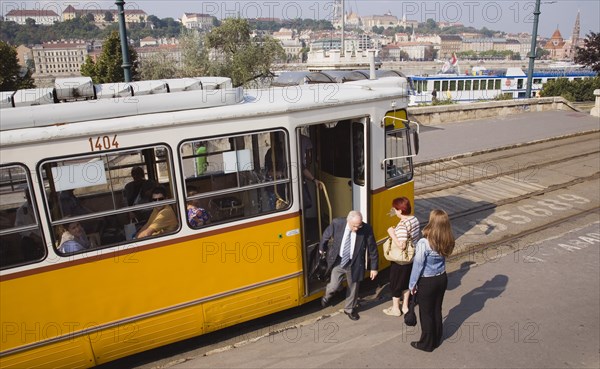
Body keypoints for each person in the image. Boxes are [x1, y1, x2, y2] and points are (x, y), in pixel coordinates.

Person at [408, 209, 455, 352]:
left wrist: (412, 284)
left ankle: (426, 344)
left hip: (427, 281)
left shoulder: (424, 242)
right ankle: (437, 337)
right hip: (442, 278)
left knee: (426, 312)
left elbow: (418, 265)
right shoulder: (448, 238)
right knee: (436, 309)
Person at [319, 210, 379, 321]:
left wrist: (374, 268)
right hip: (339, 261)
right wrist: (322, 248)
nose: (357, 228)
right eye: (354, 226)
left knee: (353, 288)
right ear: (348, 221)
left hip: (355, 263)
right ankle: (327, 296)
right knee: (333, 285)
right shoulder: (337, 223)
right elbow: (326, 235)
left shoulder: (366, 229)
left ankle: (349, 309)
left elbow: (373, 249)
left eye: (359, 225)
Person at [383, 197, 421, 317]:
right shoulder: (414, 219)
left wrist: (392, 233)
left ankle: (395, 309)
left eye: (395, 209)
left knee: (396, 284)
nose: (394, 211)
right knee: (406, 283)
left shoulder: (402, 226)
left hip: (401, 261)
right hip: (411, 258)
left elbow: (401, 245)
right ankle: (405, 306)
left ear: (400, 210)